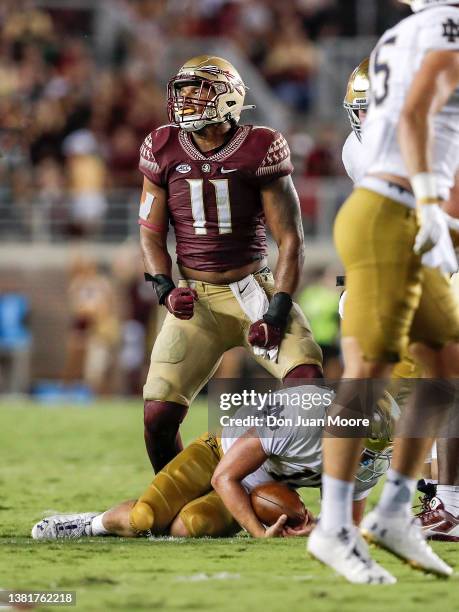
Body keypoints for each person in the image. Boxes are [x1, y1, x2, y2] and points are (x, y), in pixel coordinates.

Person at [308, 0, 459, 584]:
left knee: (447, 360)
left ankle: (397, 509)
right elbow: (419, 111)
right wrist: (428, 201)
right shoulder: (446, 25)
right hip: (390, 214)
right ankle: (333, 526)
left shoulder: (404, 32)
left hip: (406, 215)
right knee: (366, 375)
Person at [138, 55, 323, 473]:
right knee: (157, 415)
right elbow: (150, 231)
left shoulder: (261, 146)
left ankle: (267, 478)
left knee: (307, 386)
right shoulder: (162, 146)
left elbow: (290, 238)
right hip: (195, 298)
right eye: (181, 90)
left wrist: (276, 312)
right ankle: (180, 500)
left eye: (197, 89)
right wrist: (165, 289)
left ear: (228, 97)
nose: (185, 99)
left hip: (252, 290)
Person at [31, 384, 397, 542]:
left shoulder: (374, 450)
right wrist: (258, 532)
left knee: (188, 526)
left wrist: (315, 529)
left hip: (265, 486)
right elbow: (225, 476)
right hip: (221, 454)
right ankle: (91, 524)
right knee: (145, 518)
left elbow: (347, 526)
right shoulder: (300, 416)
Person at [343, 56, 459, 544]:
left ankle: (446, 501)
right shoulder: (358, 148)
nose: (372, 119)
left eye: (380, 106)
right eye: (363, 108)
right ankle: (440, 496)